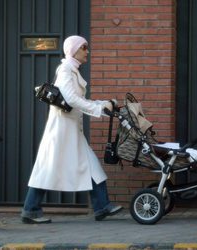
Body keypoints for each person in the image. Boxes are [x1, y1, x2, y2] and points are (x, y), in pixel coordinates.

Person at [21, 35, 123, 224]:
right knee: (47, 168)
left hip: (71, 129)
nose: (87, 51)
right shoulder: (66, 69)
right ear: (74, 50)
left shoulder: (72, 69)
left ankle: (102, 206)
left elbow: (77, 100)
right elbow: (71, 99)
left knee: (91, 165)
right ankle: (30, 209)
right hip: (62, 130)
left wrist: (104, 104)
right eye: (84, 47)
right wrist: (99, 108)